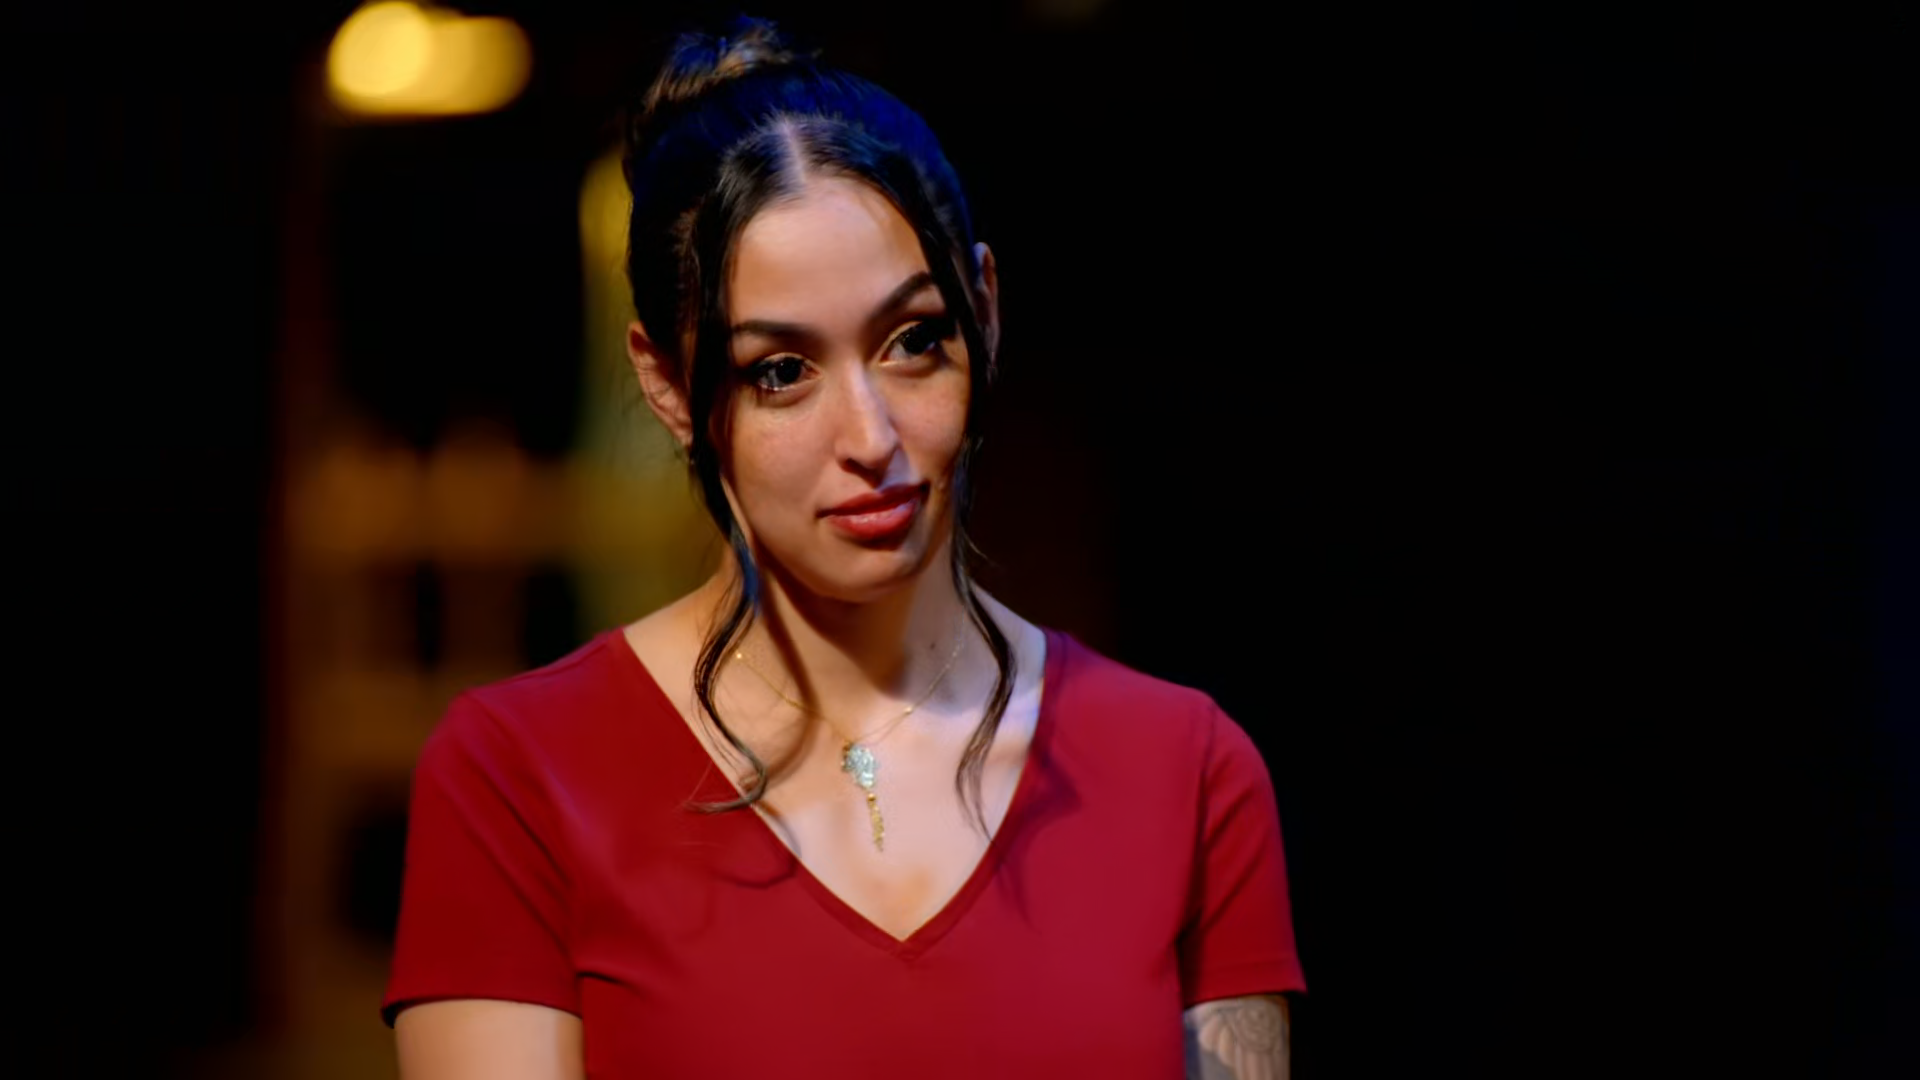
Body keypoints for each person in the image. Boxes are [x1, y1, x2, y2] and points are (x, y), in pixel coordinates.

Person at [381, 15, 1305, 1078]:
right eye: (781, 372)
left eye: (914, 342)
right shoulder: (522, 778)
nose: (870, 437)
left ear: (984, 313)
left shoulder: (1183, 771)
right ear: (669, 386)